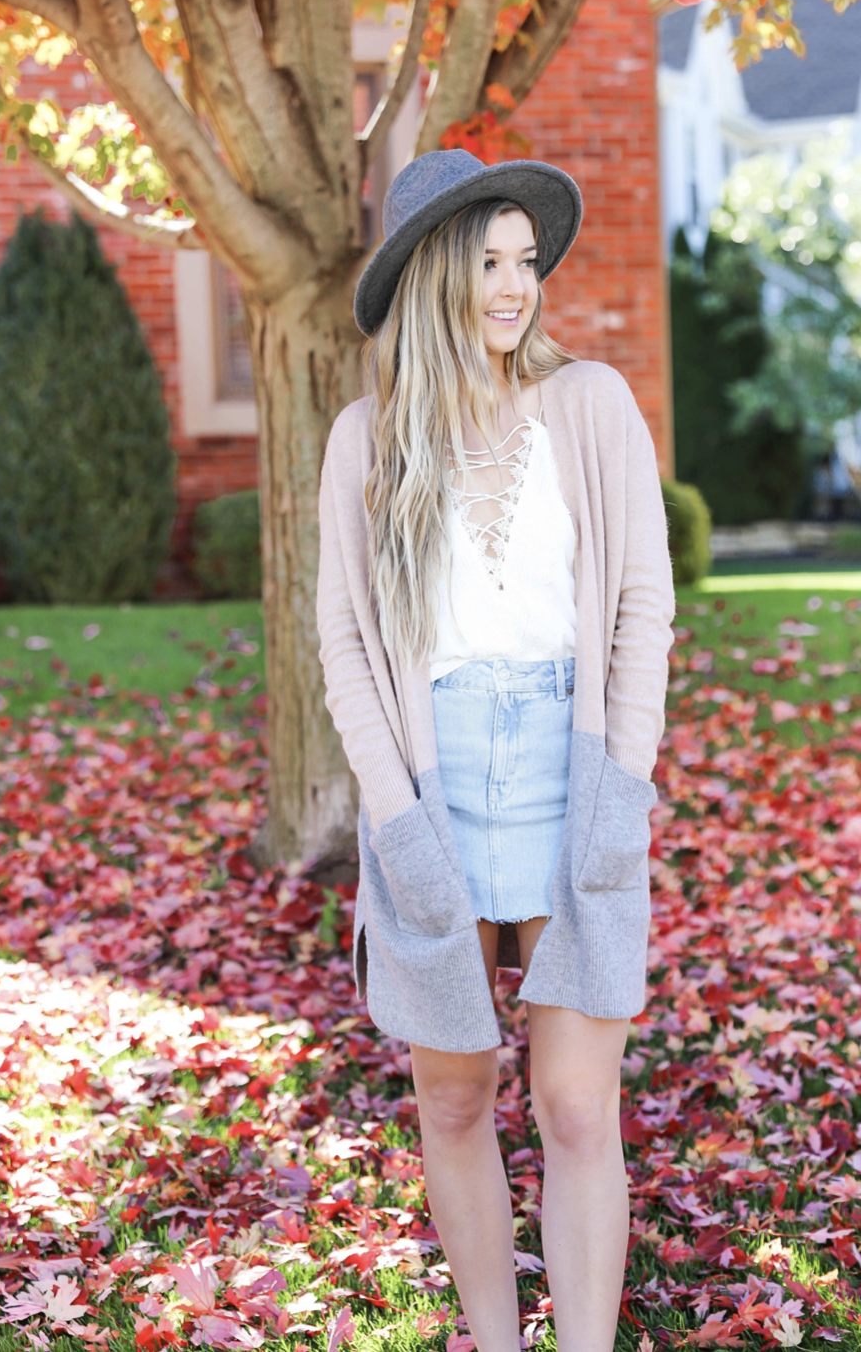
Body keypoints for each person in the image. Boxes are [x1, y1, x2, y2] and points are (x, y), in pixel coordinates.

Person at [315, 148, 675, 1352]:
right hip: (435, 783)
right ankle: (498, 1341)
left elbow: (639, 609)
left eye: (526, 260)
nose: (515, 286)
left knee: (576, 1108)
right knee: (455, 1097)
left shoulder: (590, 404)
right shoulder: (366, 444)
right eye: (487, 261)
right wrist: (393, 814)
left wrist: (619, 789)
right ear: (429, 273)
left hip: (572, 768)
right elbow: (345, 650)